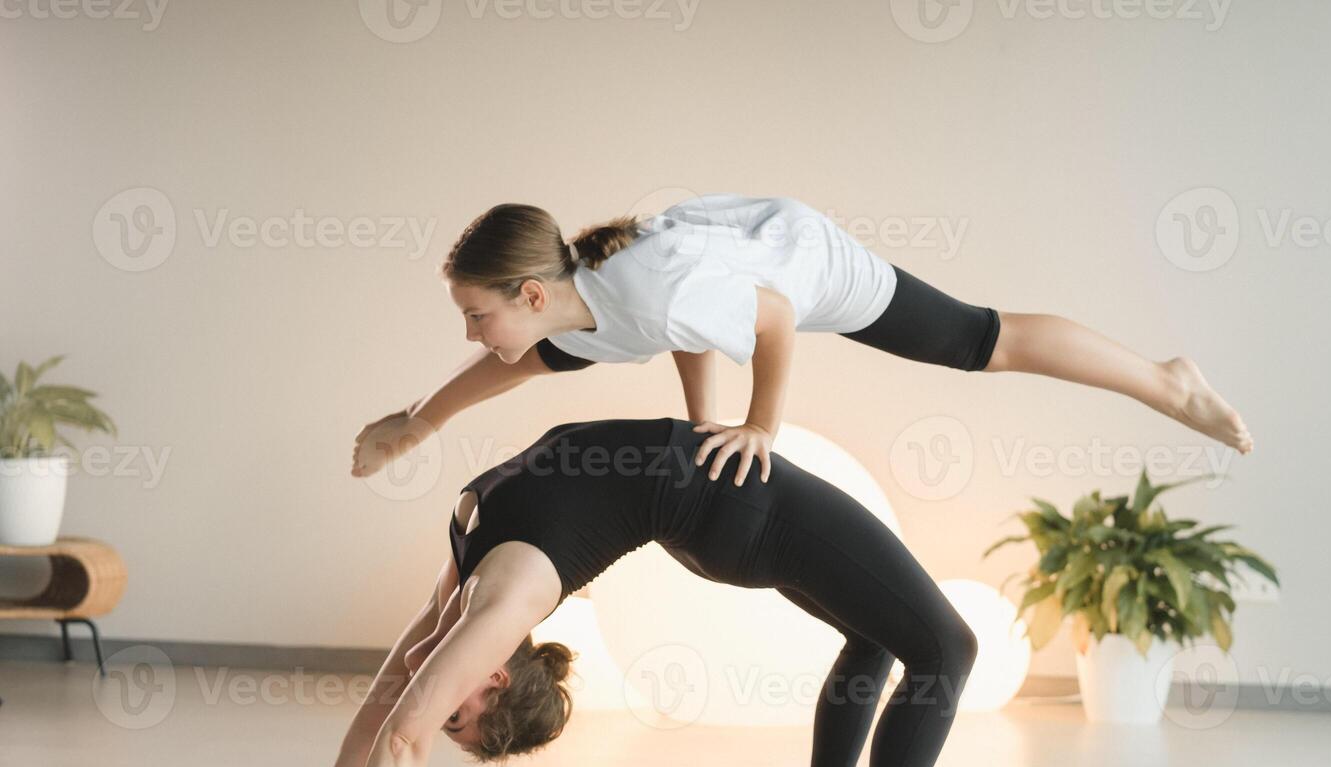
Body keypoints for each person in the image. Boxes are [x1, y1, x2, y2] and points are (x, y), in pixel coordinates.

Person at [314, 417, 988, 767]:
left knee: (878, 633)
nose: (436, 705)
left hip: (721, 512)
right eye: (451, 718)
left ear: (491, 677)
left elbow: (392, 722)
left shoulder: (473, 602)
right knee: (947, 648)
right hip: (742, 511)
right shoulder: (493, 602)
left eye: (452, 718)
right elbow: (397, 729)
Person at [351, 193, 1253, 486]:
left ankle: (1166, 382)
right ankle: (1163, 379)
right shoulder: (586, 313)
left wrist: (756, 430)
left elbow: (771, 320)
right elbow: (524, 365)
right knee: (987, 342)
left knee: (986, 342)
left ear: (533, 291)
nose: (474, 333)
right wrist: (415, 425)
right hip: (739, 254)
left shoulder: (641, 295)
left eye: (478, 313)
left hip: (809, 266)